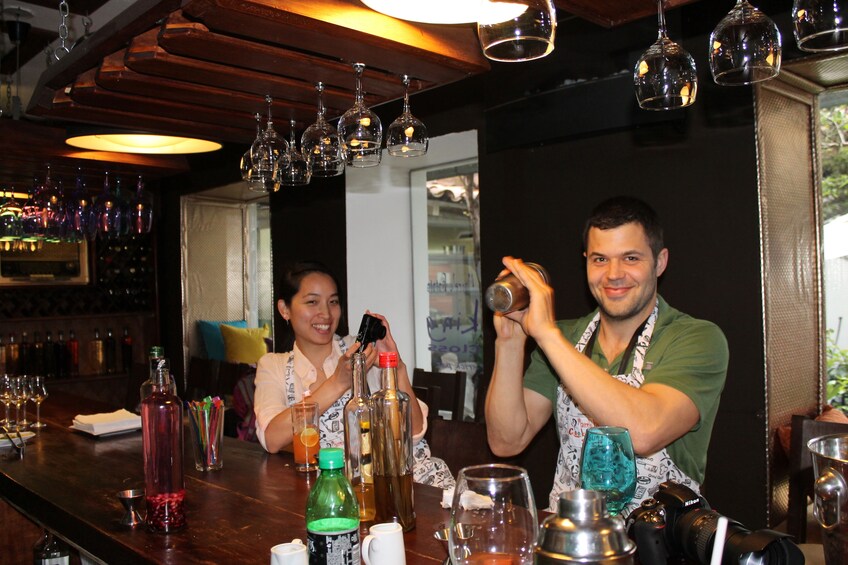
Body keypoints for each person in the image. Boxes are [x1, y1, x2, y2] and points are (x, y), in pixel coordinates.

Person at [485, 196, 728, 514]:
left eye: (630, 258)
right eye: (600, 259)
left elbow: (644, 432)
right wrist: (510, 342)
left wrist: (546, 335)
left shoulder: (696, 338)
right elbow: (506, 441)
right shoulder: (566, 338)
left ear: (660, 261)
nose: (613, 274)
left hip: (656, 544)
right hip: (570, 536)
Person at [253, 260, 455, 488]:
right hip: (326, 493)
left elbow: (414, 432)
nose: (326, 313)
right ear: (284, 309)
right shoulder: (274, 366)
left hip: (390, 487)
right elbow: (271, 439)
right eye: (312, 302)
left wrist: (396, 368)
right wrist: (338, 383)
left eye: (333, 302)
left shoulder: (361, 351)